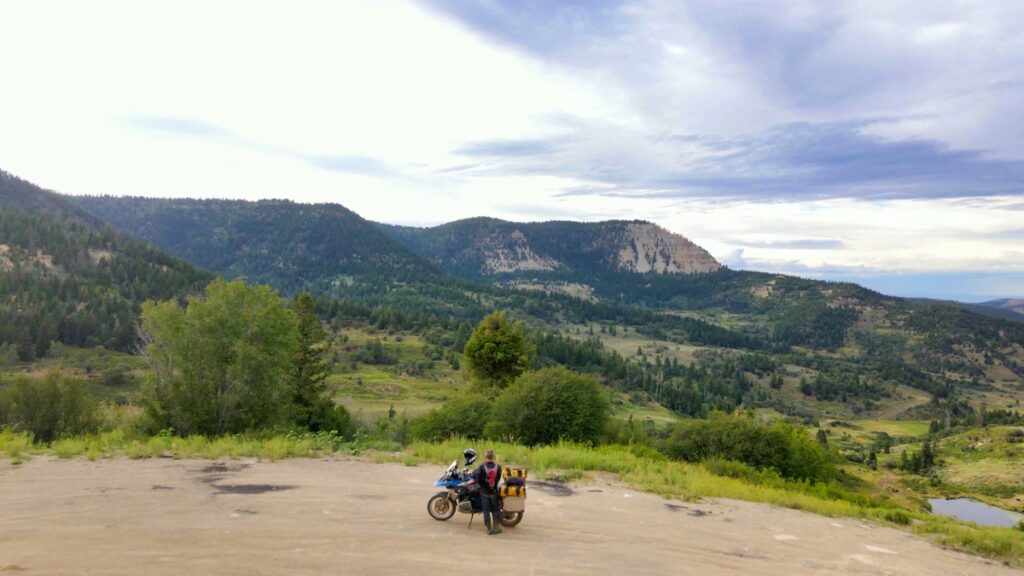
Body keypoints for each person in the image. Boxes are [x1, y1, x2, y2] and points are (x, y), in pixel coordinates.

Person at [474, 449, 503, 535]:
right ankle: (496, 527)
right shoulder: (498, 467)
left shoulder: (481, 467)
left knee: (486, 510)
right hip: (494, 491)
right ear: (493, 457)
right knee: (495, 509)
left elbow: (477, 480)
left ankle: (488, 528)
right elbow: (497, 478)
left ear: (486, 457)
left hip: (484, 492)